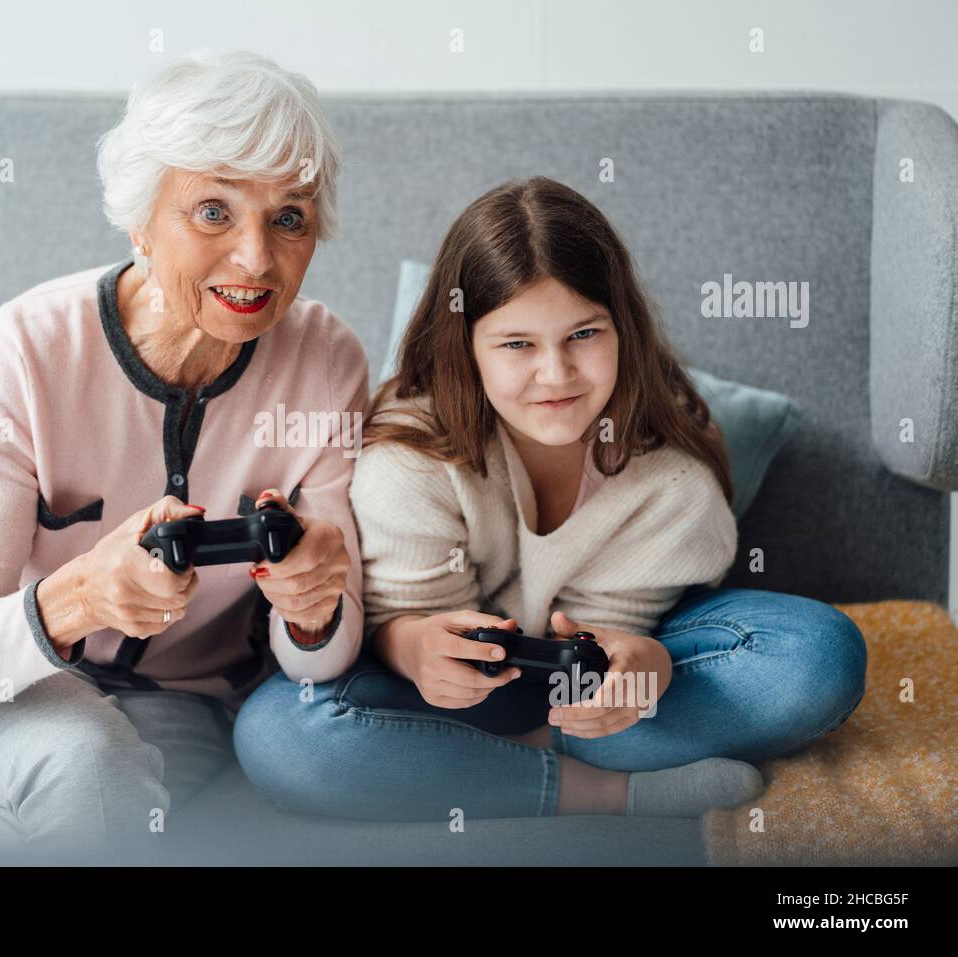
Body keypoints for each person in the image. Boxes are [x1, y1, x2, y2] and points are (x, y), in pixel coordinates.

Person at [234, 177, 867, 822]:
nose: (557, 374)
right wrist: (414, 645)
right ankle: (600, 790)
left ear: (623, 328)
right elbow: (400, 623)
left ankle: (463, 763)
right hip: (449, 697)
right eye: (517, 345)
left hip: (600, 688)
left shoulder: (673, 475)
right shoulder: (409, 455)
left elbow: (620, 640)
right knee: (280, 732)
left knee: (818, 654)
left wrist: (648, 665)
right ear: (466, 348)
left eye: (584, 335)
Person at [0, 50, 368, 862]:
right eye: (213, 211)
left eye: (289, 217)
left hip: (181, 698)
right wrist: (81, 595)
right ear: (140, 219)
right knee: (89, 767)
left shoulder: (328, 360)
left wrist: (314, 605)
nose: (256, 258)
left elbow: (328, 658)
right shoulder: (31, 347)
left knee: (105, 810)